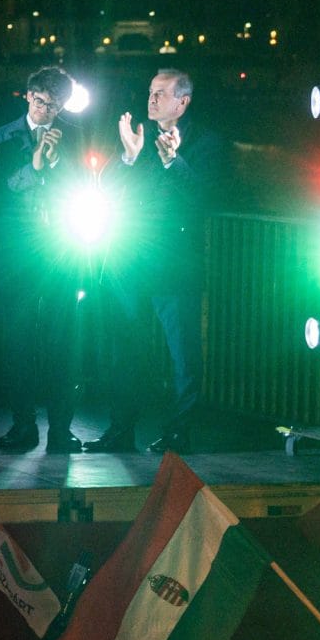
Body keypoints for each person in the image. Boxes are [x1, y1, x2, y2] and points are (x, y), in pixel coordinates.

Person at [103, 67, 215, 453]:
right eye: (150, 92)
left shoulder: (204, 142)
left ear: (182, 102)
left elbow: (203, 197)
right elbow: (108, 187)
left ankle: (181, 430)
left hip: (176, 266)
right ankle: (121, 429)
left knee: (183, 353)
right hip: (132, 261)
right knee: (125, 348)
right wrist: (128, 158)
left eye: (161, 94)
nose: (151, 100)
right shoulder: (138, 137)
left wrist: (172, 162)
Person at [0, 67, 91, 453]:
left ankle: (61, 430)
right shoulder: (4, 135)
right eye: (42, 102)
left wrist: (58, 162)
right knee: (19, 344)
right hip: (18, 252)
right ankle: (23, 426)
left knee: (65, 343)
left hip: (62, 248)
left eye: (55, 105)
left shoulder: (74, 137)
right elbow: (1, 189)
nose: (48, 111)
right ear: (28, 97)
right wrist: (36, 164)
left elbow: (83, 186)